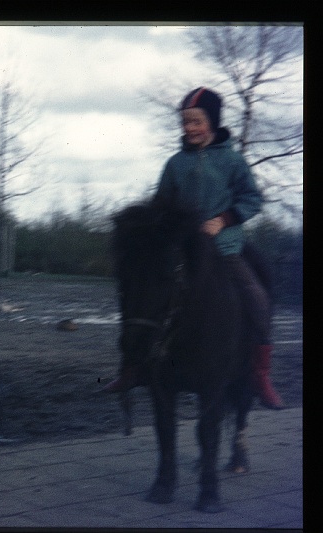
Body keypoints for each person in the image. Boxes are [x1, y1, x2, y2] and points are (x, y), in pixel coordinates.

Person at [103, 87, 284, 409]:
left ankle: (259, 374)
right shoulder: (175, 164)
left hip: (224, 248)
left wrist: (224, 219)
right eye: (185, 122)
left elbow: (252, 199)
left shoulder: (232, 161)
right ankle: (132, 368)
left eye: (197, 121)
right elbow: (161, 203)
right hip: (181, 253)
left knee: (256, 298)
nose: (190, 128)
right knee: (141, 300)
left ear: (212, 122)